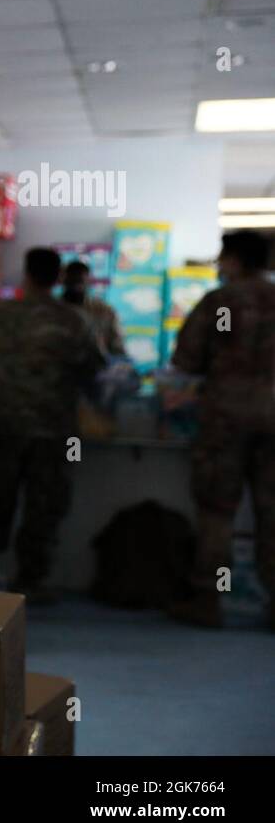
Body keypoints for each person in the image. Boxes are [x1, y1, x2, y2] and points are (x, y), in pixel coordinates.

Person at [0, 247, 105, 601]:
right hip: (55, 428)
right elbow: (97, 367)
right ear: (58, 278)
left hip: (6, 423)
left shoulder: (1, 312)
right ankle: (32, 579)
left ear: (26, 275)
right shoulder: (77, 321)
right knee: (45, 505)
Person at [168, 229, 275, 630]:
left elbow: (186, 359)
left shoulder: (221, 302)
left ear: (233, 259)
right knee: (272, 512)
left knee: (217, 511)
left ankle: (208, 600)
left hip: (226, 418)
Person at [61, 260, 125, 358]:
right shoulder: (50, 310)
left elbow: (117, 347)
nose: (76, 287)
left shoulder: (103, 311)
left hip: (96, 368)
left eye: (80, 281)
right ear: (63, 281)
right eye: (72, 281)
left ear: (88, 282)